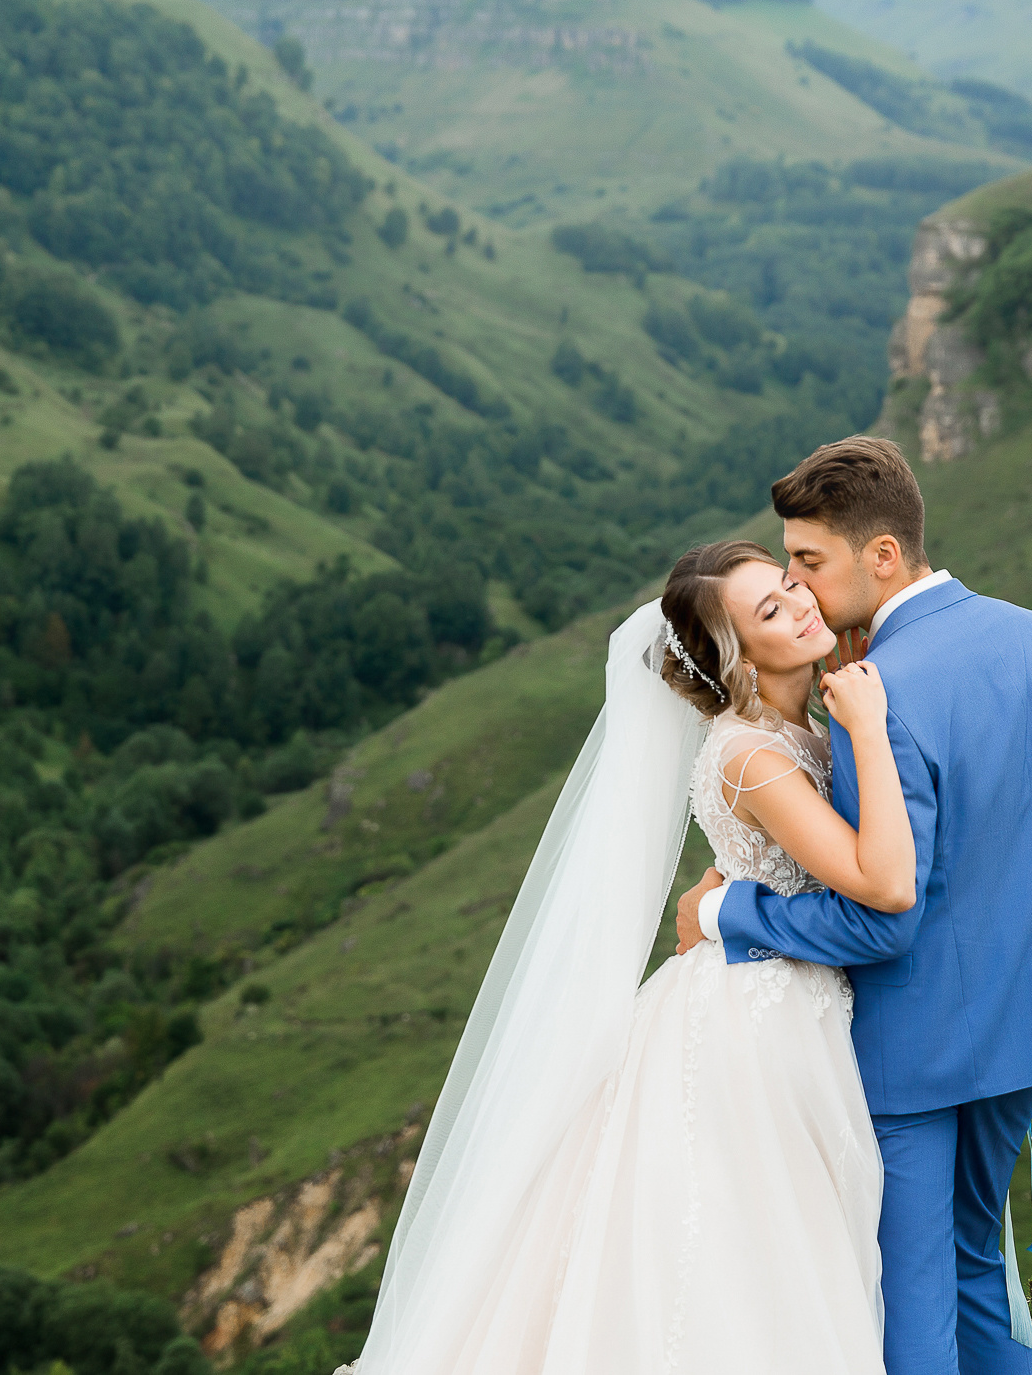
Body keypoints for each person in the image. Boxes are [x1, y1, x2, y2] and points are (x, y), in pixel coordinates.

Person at [347, 539, 917, 1374]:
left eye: (792, 585)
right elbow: (880, 879)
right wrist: (869, 727)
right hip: (757, 1028)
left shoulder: (795, 727)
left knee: (791, 1244)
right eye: (770, 610)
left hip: (788, 1001)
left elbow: (774, 860)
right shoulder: (751, 752)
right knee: (758, 1260)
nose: (799, 604)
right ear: (735, 655)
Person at [677, 435, 1032, 1375]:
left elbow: (880, 914)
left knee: (912, 1289)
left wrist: (729, 915)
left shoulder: (871, 696)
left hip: (913, 1045)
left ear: (880, 556)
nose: (803, 588)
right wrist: (1007, 932)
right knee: (978, 1258)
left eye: (808, 562)